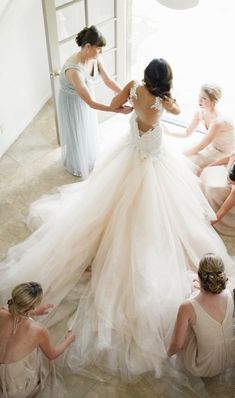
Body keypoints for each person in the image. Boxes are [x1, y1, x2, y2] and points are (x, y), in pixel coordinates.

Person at [0, 59, 234, 381]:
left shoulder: (134, 87)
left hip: (129, 151)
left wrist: (127, 109)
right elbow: (178, 113)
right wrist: (169, 100)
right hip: (152, 159)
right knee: (153, 214)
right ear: (164, 81)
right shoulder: (163, 101)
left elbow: (113, 105)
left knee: (109, 203)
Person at [58, 25, 132, 178]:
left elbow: (108, 80)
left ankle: (87, 155)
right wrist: (116, 109)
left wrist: (126, 95)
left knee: (88, 128)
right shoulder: (74, 71)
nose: (101, 52)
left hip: (86, 97)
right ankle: (75, 162)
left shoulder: (95, 57)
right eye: (99, 49)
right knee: (77, 130)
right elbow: (91, 103)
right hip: (73, 103)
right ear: (87, 46)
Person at [0, 282, 75, 398]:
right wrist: (68, 340)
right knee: (42, 355)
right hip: (15, 388)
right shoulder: (39, 330)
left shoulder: (1, 312)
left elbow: (11, 313)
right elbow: (52, 355)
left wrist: (33, 311)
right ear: (33, 305)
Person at [167, 253, 234, 377]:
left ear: (199, 276)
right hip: (230, 359)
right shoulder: (230, 295)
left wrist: (165, 355)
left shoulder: (186, 307)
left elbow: (177, 345)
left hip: (203, 366)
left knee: (189, 323)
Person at [166, 83, 235, 174]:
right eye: (199, 96)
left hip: (224, 154)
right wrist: (168, 132)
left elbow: (199, 147)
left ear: (214, 100)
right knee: (186, 158)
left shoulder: (218, 122)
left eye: (204, 98)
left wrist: (181, 156)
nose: (199, 100)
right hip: (211, 147)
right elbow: (187, 132)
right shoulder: (200, 113)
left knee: (189, 162)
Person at [200, 152, 235, 235]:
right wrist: (209, 166)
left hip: (232, 194)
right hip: (230, 171)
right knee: (207, 172)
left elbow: (222, 211)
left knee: (213, 190)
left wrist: (206, 224)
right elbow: (231, 156)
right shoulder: (232, 161)